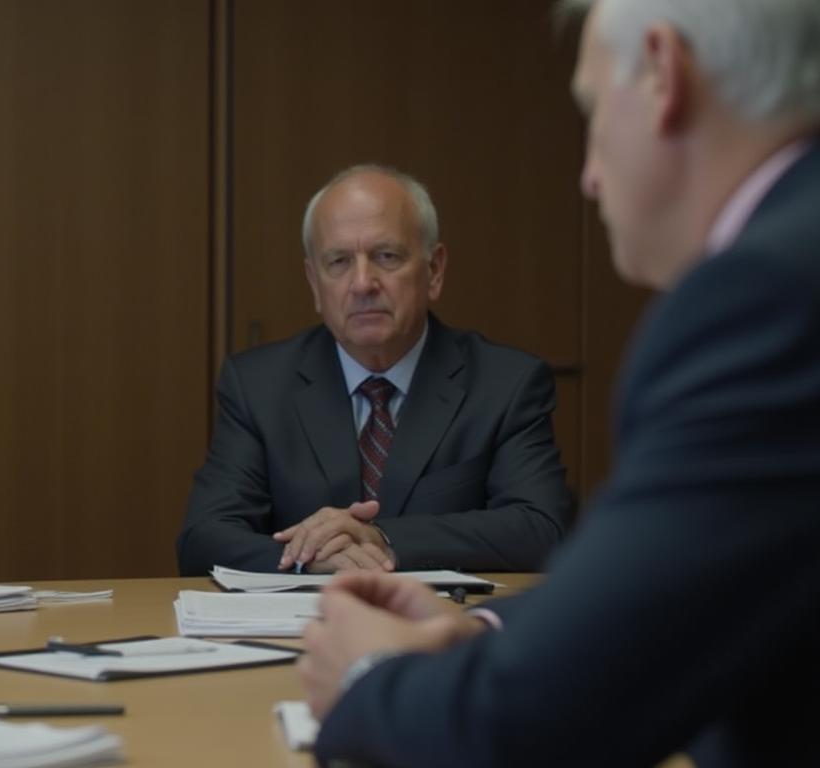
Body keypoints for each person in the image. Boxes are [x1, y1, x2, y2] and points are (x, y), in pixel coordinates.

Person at [297, 1, 820, 765]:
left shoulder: (765, 297)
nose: (590, 176)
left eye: (592, 110)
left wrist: (368, 676)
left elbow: (539, 723)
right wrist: (484, 629)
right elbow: (672, 595)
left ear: (663, 74)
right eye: (338, 263)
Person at [178, 165, 572, 576]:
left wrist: (382, 539)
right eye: (339, 261)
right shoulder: (258, 386)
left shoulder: (506, 384)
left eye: (387, 256)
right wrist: (310, 558)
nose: (363, 283)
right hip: (309, 615)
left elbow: (542, 530)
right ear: (314, 282)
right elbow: (203, 538)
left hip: (441, 615)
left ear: (434, 270)